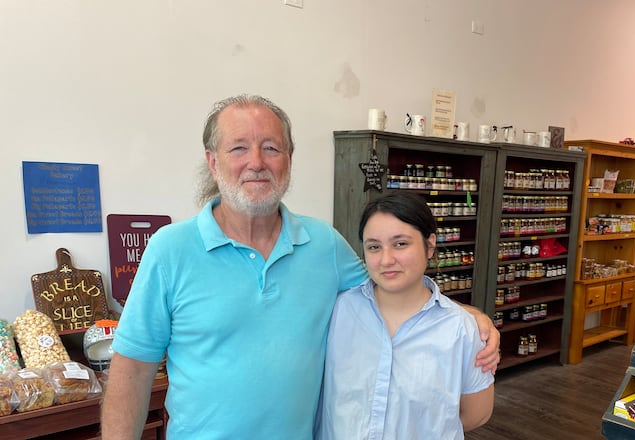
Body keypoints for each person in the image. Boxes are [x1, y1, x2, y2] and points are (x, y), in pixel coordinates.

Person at [100, 94, 500, 439]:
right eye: (238, 148)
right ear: (213, 161)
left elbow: (392, 287)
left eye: (271, 148)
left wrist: (468, 316)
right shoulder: (170, 250)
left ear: (289, 160)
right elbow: (132, 371)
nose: (256, 162)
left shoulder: (323, 244)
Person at [318, 192, 495, 439]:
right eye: (374, 247)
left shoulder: (461, 329)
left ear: (429, 245)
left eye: (400, 244)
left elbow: (476, 414)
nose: (386, 260)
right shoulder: (339, 311)